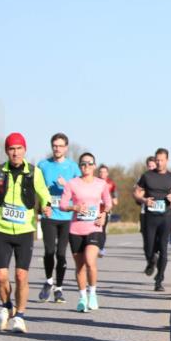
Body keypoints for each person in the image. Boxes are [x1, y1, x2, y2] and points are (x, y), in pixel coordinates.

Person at [0, 132, 53, 333]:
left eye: (18, 148)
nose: (15, 153)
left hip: (24, 231)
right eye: (11, 149)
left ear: (24, 150)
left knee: (21, 276)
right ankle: (7, 306)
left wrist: (47, 205)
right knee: (0, 277)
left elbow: (44, 193)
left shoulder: (34, 172)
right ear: (6, 151)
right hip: (2, 229)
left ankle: (20, 316)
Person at [59, 152, 112, 312]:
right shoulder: (72, 183)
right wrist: (73, 207)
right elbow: (62, 204)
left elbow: (108, 203)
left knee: (90, 261)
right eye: (83, 164)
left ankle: (93, 294)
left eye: (89, 163)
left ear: (94, 166)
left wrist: (103, 214)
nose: (86, 166)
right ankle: (82, 297)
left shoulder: (101, 184)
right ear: (79, 166)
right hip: (76, 229)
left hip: (94, 228)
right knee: (80, 266)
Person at [37, 133, 80, 304]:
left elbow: (80, 190)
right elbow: (36, 188)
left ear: (66, 148)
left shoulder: (73, 167)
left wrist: (66, 185)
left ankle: (59, 288)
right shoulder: (43, 165)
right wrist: (41, 204)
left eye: (61, 146)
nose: (57, 149)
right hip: (49, 215)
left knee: (61, 254)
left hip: (67, 216)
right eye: (55, 145)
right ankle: (48, 281)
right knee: (49, 251)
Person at [133, 149, 171, 291]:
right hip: (150, 217)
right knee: (149, 247)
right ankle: (151, 260)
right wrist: (143, 199)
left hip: (166, 217)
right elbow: (136, 193)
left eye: (162, 160)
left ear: (167, 160)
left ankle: (159, 280)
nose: (159, 163)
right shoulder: (147, 176)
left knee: (163, 249)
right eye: (157, 160)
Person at [97, 164, 118, 257]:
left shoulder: (111, 183)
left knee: (102, 228)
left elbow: (115, 195)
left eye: (104, 172)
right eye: (101, 171)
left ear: (107, 173)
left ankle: (101, 248)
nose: (102, 173)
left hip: (105, 209)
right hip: (95, 209)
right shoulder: (94, 181)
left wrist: (114, 199)